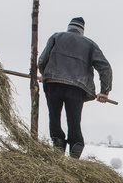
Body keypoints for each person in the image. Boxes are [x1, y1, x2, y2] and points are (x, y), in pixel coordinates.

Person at [37, 17, 113, 159]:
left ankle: (58, 153)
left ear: (69, 27)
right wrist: (104, 91)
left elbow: (42, 60)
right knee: (74, 121)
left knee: (54, 118)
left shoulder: (56, 37)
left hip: (53, 83)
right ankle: (74, 157)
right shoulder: (90, 44)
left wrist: (44, 74)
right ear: (82, 30)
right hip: (77, 87)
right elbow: (105, 67)